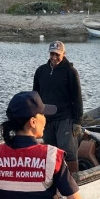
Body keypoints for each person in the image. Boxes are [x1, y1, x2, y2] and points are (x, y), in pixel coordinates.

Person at [32, 41, 83, 174]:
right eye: (52, 54)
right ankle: (54, 178)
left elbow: (77, 98)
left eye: (57, 54)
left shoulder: (70, 72)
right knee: (50, 151)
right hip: (46, 119)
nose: (54, 57)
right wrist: (35, 116)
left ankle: (74, 180)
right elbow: (35, 95)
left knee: (69, 152)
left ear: (63, 54)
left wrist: (77, 122)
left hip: (65, 118)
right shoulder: (41, 71)